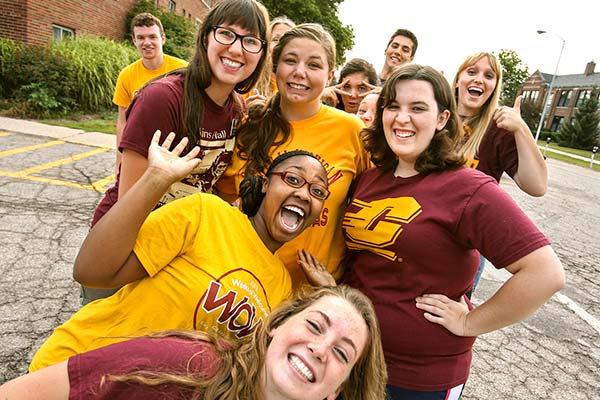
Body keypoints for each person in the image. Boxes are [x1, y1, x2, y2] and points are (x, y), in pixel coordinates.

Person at [338, 64, 565, 399]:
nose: (402, 118)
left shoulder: (468, 188)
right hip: (351, 355)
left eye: (417, 108)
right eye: (393, 107)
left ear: (442, 119)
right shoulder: (370, 178)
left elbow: (545, 274)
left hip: (419, 377)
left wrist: (469, 323)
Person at [29, 132, 330, 372]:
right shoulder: (206, 213)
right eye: (292, 179)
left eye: (317, 191)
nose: (304, 193)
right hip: (81, 370)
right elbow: (92, 272)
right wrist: (156, 178)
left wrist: (330, 296)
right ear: (265, 184)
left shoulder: (282, 287)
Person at [84, 0, 270, 303]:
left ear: (261, 54)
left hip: (172, 255)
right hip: (123, 252)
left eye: (250, 41)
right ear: (206, 37)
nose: (237, 49)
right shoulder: (162, 98)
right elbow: (128, 200)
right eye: (226, 34)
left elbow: (214, 196)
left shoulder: (237, 111)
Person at [1, 286, 388, 400]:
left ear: (338, 390)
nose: (320, 349)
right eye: (315, 326)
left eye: (341, 353)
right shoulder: (183, 367)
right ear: (277, 325)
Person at [215, 23, 370, 287]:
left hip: (315, 293)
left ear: (331, 74)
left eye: (313, 65)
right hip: (244, 284)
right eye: (290, 61)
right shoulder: (249, 127)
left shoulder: (351, 131)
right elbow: (221, 205)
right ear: (275, 68)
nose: (299, 73)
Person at [452, 52, 548, 294]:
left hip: (467, 245)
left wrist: (521, 129)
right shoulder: (433, 118)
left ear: (494, 87)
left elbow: (536, 186)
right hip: (422, 229)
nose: (479, 79)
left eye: (489, 76)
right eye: (471, 72)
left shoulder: (499, 129)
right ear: (457, 80)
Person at [112, 12, 189, 172]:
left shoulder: (184, 70)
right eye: (141, 38)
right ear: (134, 41)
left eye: (152, 37)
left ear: (163, 38)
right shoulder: (126, 75)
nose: (147, 43)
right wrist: (120, 161)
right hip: (141, 148)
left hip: (176, 148)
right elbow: (122, 122)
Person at [245, 16, 296, 104]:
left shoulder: (301, 85)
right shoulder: (249, 81)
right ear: (266, 45)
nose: (282, 45)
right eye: (276, 39)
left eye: (288, 41)